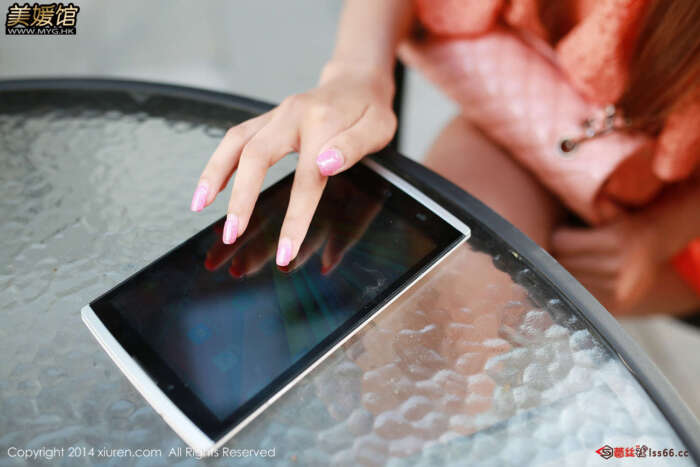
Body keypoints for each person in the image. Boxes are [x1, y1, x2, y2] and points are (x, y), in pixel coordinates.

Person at [190, 0, 699, 316]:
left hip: (678, 219)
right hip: (528, 112)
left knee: (459, 321)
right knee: (433, 305)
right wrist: (356, 73)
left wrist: (656, 235)